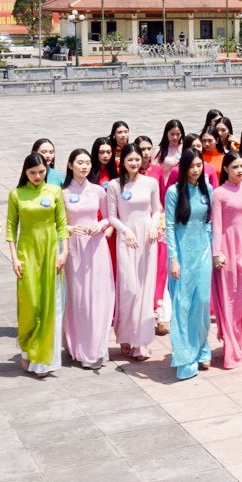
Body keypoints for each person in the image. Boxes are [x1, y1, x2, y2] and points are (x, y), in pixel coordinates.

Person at [7, 153, 68, 377]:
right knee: (30, 303)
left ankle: (43, 360)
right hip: (27, 253)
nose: (37, 176)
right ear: (25, 172)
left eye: (41, 172)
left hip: (51, 252)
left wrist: (65, 252)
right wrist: (14, 258)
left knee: (49, 304)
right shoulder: (16, 194)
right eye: (32, 172)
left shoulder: (54, 191)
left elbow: (62, 224)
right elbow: (11, 229)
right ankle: (27, 348)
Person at [60, 150, 114, 371]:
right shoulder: (62, 193)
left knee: (97, 295)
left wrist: (100, 225)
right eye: (79, 162)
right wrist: (71, 228)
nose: (84, 166)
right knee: (78, 296)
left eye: (87, 163)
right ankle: (77, 345)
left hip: (96, 245)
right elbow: (57, 223)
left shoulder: (98, 191)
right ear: (70, 165)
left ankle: (95, 347)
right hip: (74, 247)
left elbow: (109, 217)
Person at [109, 145, 162, 363]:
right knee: (129, 288)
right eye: (130, 159)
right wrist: (125, 231)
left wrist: (154, 225)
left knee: (145, 290)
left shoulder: (150, 183)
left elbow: (157, 209)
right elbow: (112, 217)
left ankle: (142, 342)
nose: (134, 163)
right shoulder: (114, 185)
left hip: (148, 240)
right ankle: (125, 335)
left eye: (137, 159)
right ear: (122, 160)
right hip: (127, 240)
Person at [165, 152, 214, 380]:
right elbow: (169, 226)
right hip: (182, 254)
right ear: (184, 168)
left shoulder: (207, 190)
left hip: (203, 252)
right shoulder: (174, 192)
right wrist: (173, 258)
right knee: (183, 305)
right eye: (192, 166)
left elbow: (209, 223)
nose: (196, 170)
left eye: (199, 165)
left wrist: (213, 251)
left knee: (202, 302)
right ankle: (185, 357)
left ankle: (202, 348)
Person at [210, 150, 242, 368]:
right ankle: (233, 343)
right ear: (226, 169)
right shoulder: (219, 193)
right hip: (227, 250)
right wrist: (217, 253)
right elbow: (217, 225)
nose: (240, 170)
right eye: (235, 167)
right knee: (231, 298)